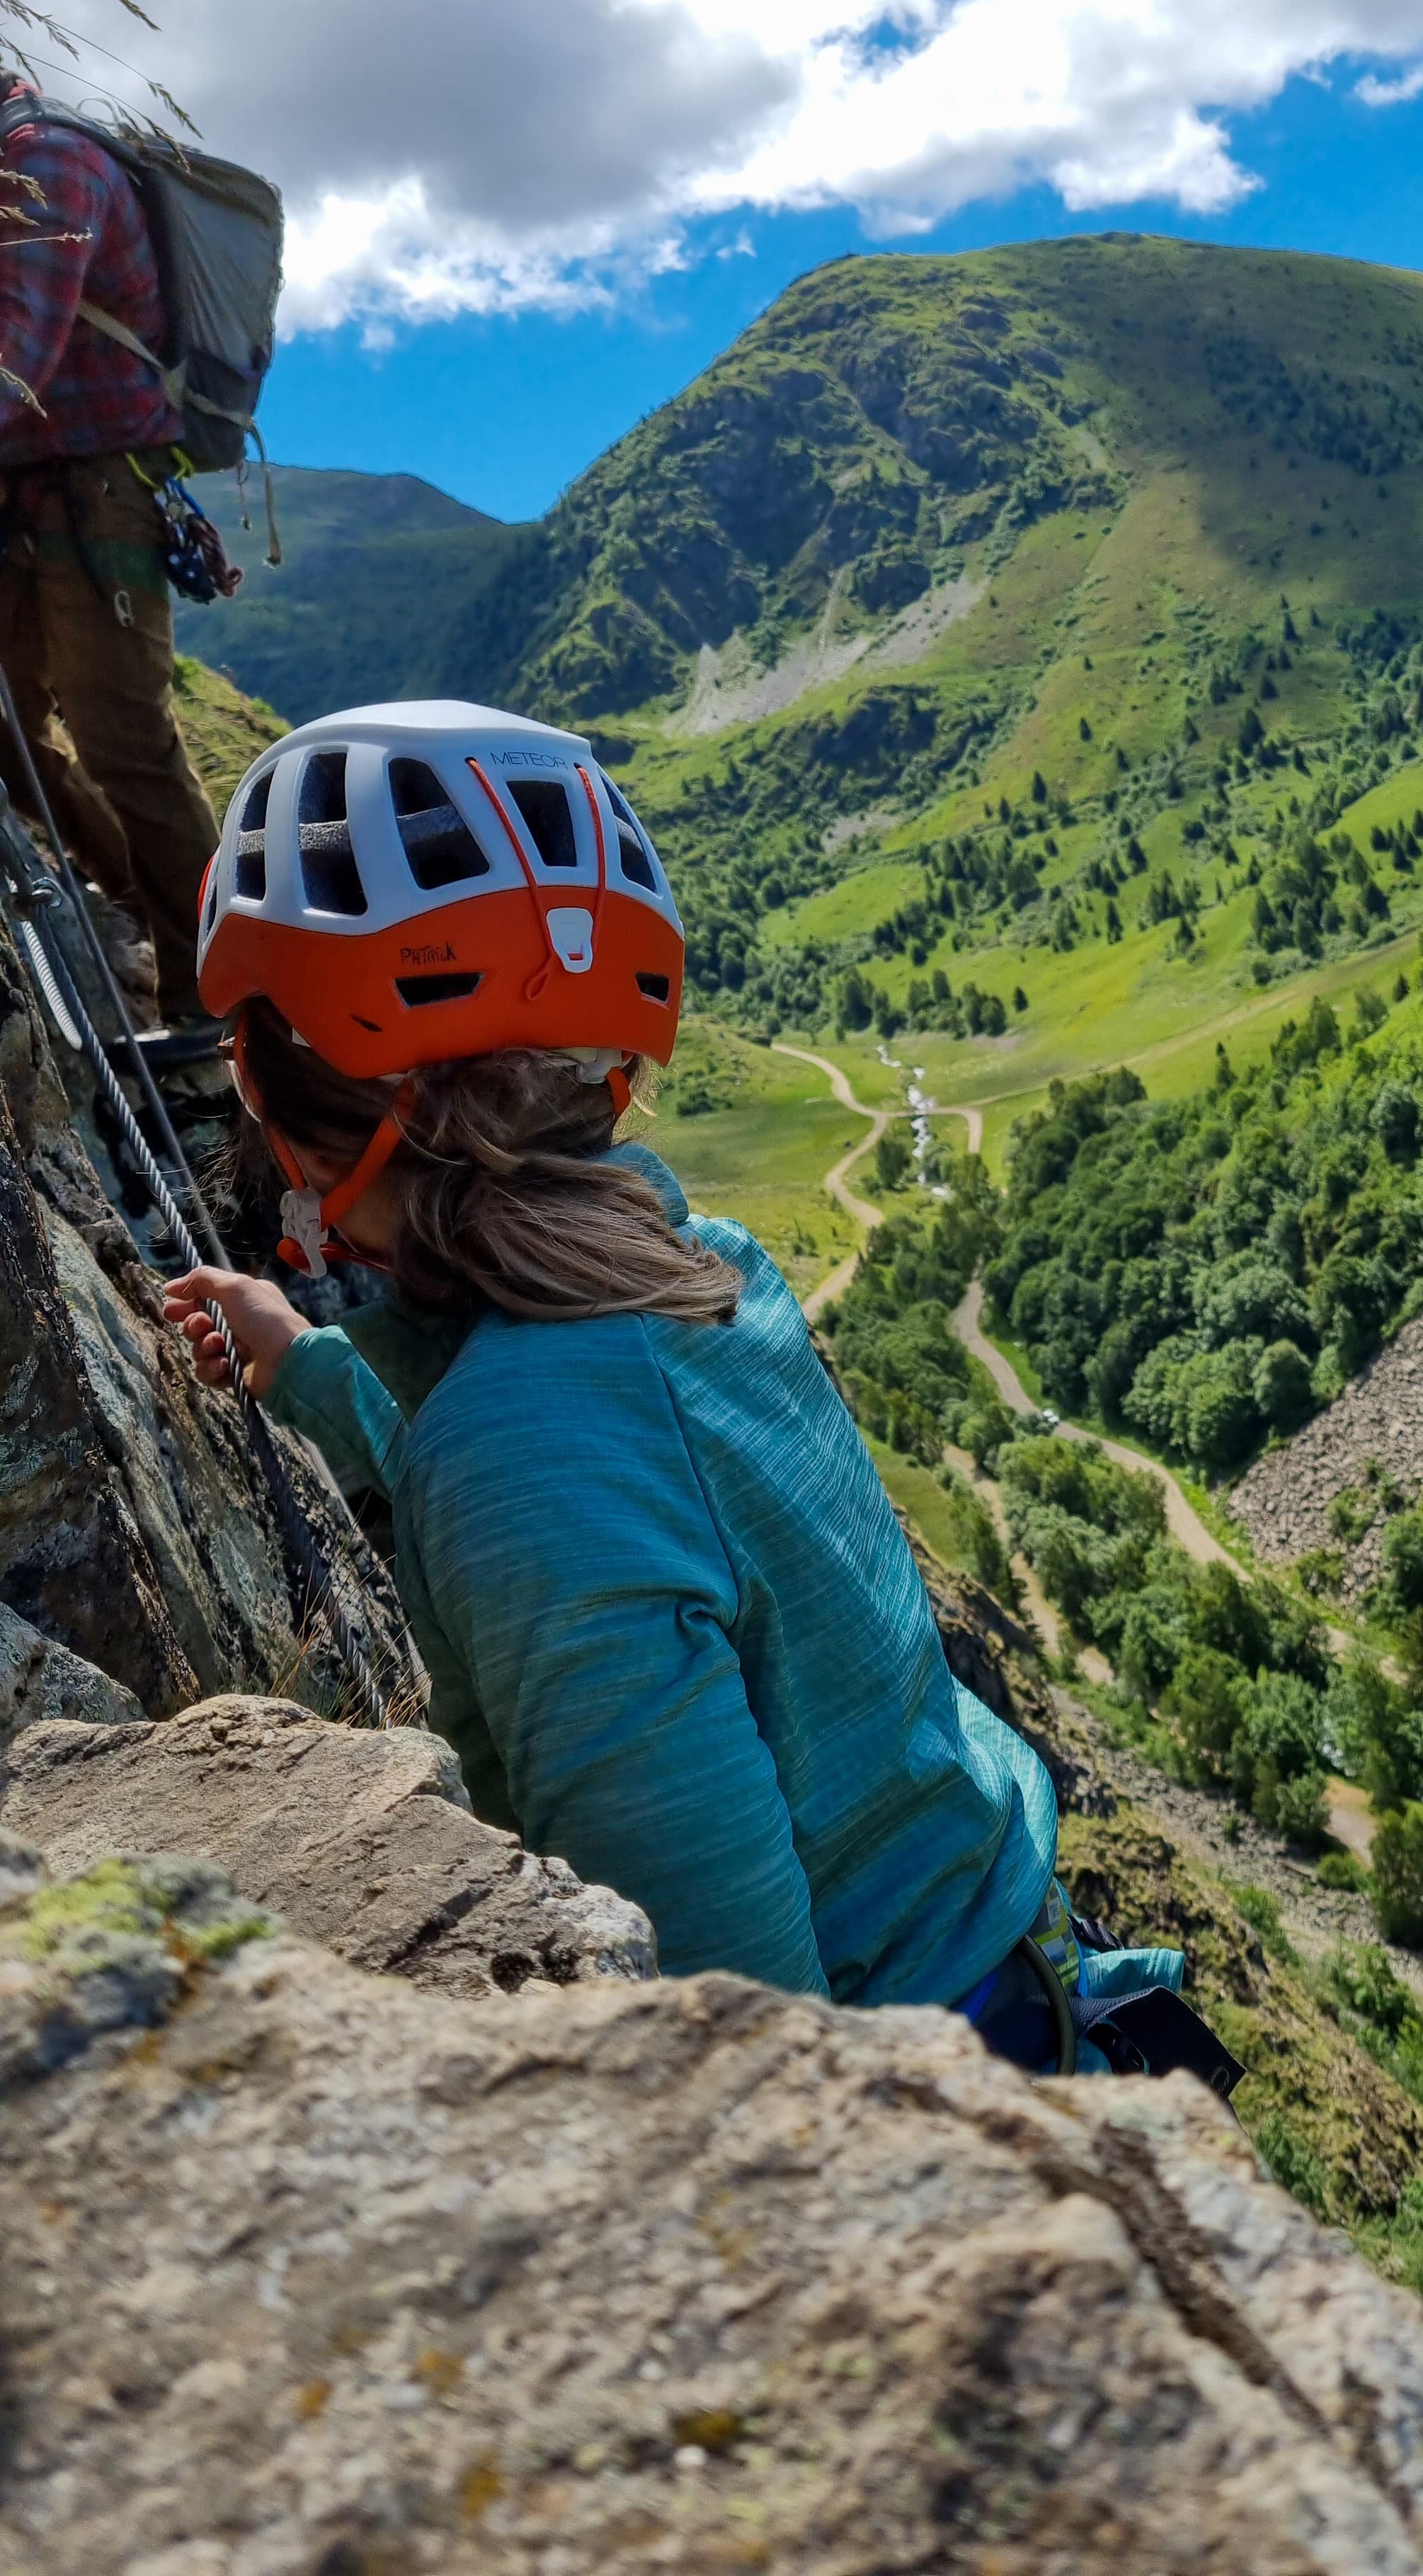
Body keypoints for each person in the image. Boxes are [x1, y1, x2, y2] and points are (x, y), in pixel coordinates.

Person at [162, 699, 1211, 2077]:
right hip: (1007, 1967)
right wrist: (307, 1364)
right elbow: (605, 1478)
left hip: (910, 2066)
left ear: (322, 1111)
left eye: (250, 1062)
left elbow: (747, 2038)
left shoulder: (520, 1467)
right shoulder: (708, 1270)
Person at [0, 71, 219, 1017]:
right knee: (6, 728)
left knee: (127, 746)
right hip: (27, 495)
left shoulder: (50, 166)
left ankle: (221, 1000)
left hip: (100, 501)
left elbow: (14, 364)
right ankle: (138, 902)